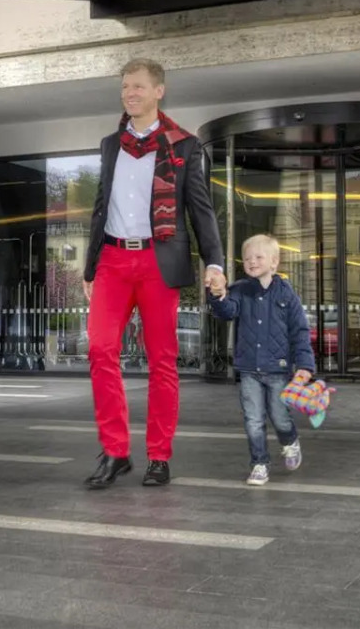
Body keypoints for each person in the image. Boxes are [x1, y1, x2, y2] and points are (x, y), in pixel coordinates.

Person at [82, 58, 226, 490]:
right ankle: (115, 451)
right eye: (125, 86)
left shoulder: (184, 146)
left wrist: (214, 262)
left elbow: (199, 208)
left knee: (162, 360)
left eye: (139, 86)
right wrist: (89, 266)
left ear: (159, 91)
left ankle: (159, 455)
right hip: (112, 259)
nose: (130, 93)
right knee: (100, 349)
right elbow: (101, 205)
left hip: (158, 261)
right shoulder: (111, 144)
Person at [208, 234, 315, 485]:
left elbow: (299, 332)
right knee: (253, 420)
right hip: (249, 370)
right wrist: (217, 295)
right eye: (247, 258)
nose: (252, 262)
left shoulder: (286, 294)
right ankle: (259, 463)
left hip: (278, 369)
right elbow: (227, 311)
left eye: (258, 257)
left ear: (274, 262)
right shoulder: (239, 290)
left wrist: (305, 366)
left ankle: (290, 441)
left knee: (279, 417)